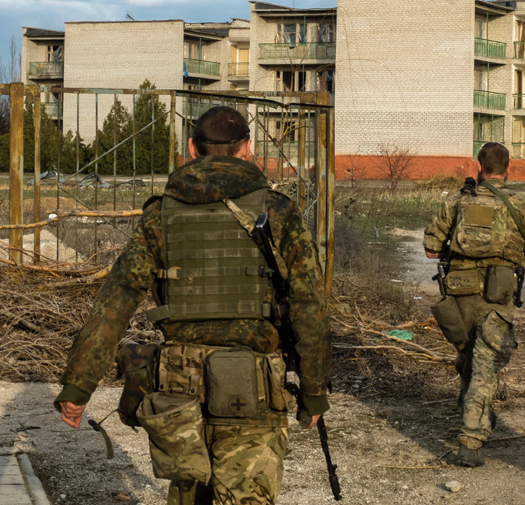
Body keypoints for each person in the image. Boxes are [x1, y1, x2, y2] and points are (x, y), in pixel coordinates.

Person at [55, 106, 330, 505]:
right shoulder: (278, 211)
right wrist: (314, 388)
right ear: (247, 148)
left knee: (188, 495)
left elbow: (114, 302)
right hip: (253, 385)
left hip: (178, 384)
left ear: (191, 147)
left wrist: (78, 385)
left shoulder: (160, 214)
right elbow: (309, 304)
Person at [423, 142, 525, 467]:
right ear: (509, 167)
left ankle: (476, 413)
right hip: (497, 295)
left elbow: (430, 249)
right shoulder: (520, 205)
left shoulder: (456, 202)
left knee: (469, 356)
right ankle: (470, 440)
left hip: (459, 293)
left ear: (478, 166)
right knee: (484, 364)